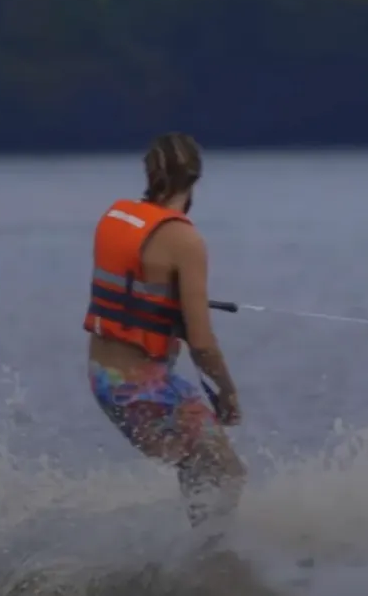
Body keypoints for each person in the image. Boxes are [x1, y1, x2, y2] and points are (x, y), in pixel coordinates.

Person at [84, 132, 246, 530]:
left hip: (103, 377)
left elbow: (137, 295)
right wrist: (226, 393)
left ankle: (192, 558)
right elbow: (202, 345)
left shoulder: (116, 217)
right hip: (140, 387)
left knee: (199, 466)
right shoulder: (184, 240)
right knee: (227, 473)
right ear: (196, 180)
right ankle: (204, 568)